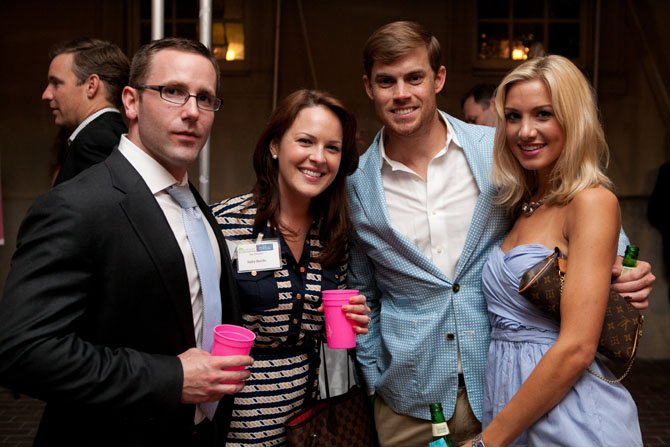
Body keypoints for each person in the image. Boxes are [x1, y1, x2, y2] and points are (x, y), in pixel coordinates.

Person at [346, 21, 654, 447]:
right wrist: (377, 376)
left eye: (414, 77)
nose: (402, 93)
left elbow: (577, 214)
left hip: (498, 387)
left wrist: (624, 266)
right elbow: (363, 293)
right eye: (386, 81)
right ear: (369, 87)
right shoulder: (356, 186)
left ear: (438, 78)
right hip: (408, 399)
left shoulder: (496, 151)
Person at [0, 38, 252, 446]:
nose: (192, 111)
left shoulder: (193, 203)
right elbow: (23, 352)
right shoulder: (76, 205)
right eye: (172, 92)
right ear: (131, 102)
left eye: (205, 98)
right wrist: (171, 377)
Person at [475, 54, 643, 446]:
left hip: (573, 412)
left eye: (543, 114)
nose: (525, 131)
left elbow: (578, 348)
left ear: (573, 118)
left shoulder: (592, 202)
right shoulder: (524, 203)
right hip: (514, 402)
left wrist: (488, 441)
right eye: (513, 117)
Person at [211, 89, 369, 446]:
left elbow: (324, 329)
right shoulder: (226, 224)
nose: (318, 158)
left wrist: (355, 318)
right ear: (275, 146)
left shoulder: (334, 234)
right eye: (305, 141)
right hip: (235, 424)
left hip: (308, 424)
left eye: (332, 147)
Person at [42, 37, 129, 185]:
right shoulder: (106, 135)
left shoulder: (95, 142)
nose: (46, 94)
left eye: (56, 83)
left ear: (91, 86)